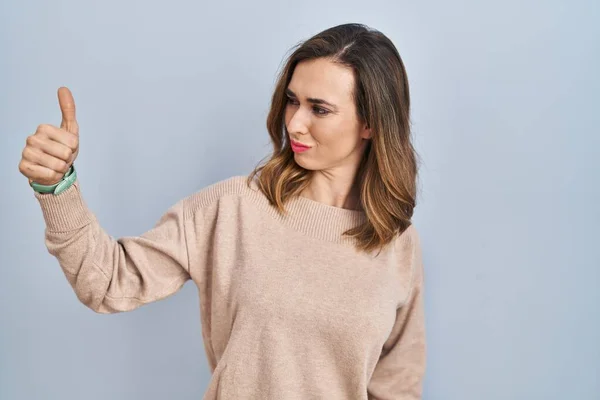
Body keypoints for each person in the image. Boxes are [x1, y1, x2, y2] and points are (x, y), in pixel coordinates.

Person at [18, 23, 426, 399]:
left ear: (370, 122)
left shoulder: (397, 243)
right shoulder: (234, 207)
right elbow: (106, 282)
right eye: (291, 101)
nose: (296, 124)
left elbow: (397, 388)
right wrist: (57, 187)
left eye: (319, 109)